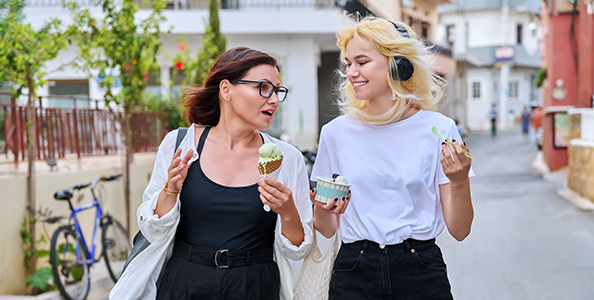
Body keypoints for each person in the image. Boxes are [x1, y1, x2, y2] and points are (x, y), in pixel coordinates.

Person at [110, 47, 313, 300]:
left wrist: (289, 211)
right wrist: (170, 190)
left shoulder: (286, 158)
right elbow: (153, 231)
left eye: (277, 90)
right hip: (185, 283)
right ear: (226, 89)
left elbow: (297, 250)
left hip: (254, 286)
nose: (273, 99)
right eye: (263, 87)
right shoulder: (180, 145)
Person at [310, 17, 474, 299]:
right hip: (354, 271)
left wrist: (458, 181)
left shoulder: (439, 129)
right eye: (348, 63)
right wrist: (324, 210)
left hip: (419, 269)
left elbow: (460, 230)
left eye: (362, 61)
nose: (351, 72)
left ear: (398, 64)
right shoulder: (335, 133)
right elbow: (326, 229)